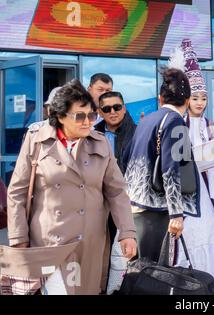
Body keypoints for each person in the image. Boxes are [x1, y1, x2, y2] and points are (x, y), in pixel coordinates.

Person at [6, 79, 137, 294]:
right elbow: (17, 193)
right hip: (48, 243)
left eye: (91, 116)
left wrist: (127, 232)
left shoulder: (100, 142)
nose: (88, 122)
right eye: (80, 116)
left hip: (89, 243)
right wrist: (19, 238)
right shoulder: (36, 141)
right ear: (60, 117)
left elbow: (117, 192)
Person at [165, 39, 214, 293]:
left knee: (213, 235)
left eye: (203, 98)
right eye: (195, 98)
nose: (200, 103)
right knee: (190, 239)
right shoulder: (177, 124)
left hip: (206, 193)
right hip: (185, 194)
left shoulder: (213, 126)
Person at [123, 67, 200, 262]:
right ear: (188, 101)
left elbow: (125, 156)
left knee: (138, 266)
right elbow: (171, 169)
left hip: (134, 202)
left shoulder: (146, 120)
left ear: (160, 98)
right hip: (156, 208)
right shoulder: (176, 122)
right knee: (153, 271)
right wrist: (176, 212)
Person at [95, 91, 137, 293]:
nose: (113, 112)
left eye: (117, 107)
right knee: (100, 247)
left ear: (124, 108)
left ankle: (120, 288)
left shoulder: (137, 133)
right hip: (96, 202)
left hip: (126, 201)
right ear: (99, 112)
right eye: (107, 109)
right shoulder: (91, 134)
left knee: (123, 248)